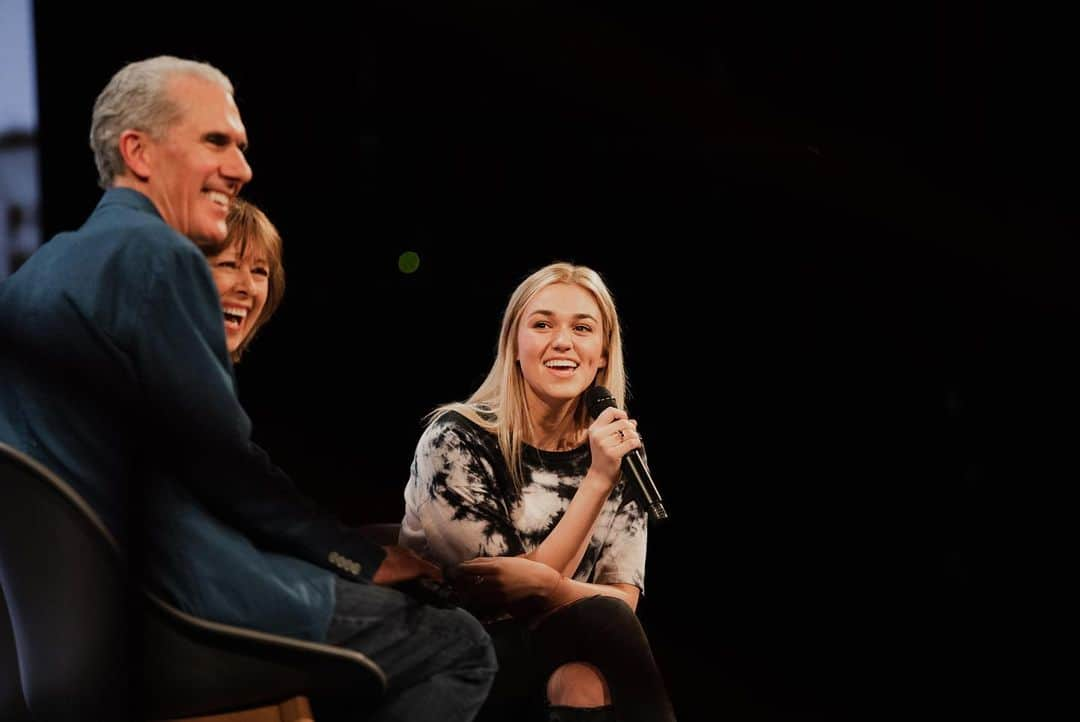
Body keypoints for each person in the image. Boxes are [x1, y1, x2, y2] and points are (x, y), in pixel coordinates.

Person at [0, 56, 495, 722]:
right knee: (459, 645)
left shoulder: (35, 274)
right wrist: (356, 561)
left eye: (240, 145)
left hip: (75, 638)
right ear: (138, 152)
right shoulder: (158, 254)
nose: (241, 167)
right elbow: (223, 465)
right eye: (216, 141)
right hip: (184, 613)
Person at [400, 262, 676, 722]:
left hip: (560, 651)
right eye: (543, 324)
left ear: (604, 351)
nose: (563, 342)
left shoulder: (617, 448)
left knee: (582, 681)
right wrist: (597, 482)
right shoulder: (455, 440)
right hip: (455, 651)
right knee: (599, 627)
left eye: (582, 328)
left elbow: (622, 598)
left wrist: (548, 583)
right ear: (515, 344)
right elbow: (504, 598)